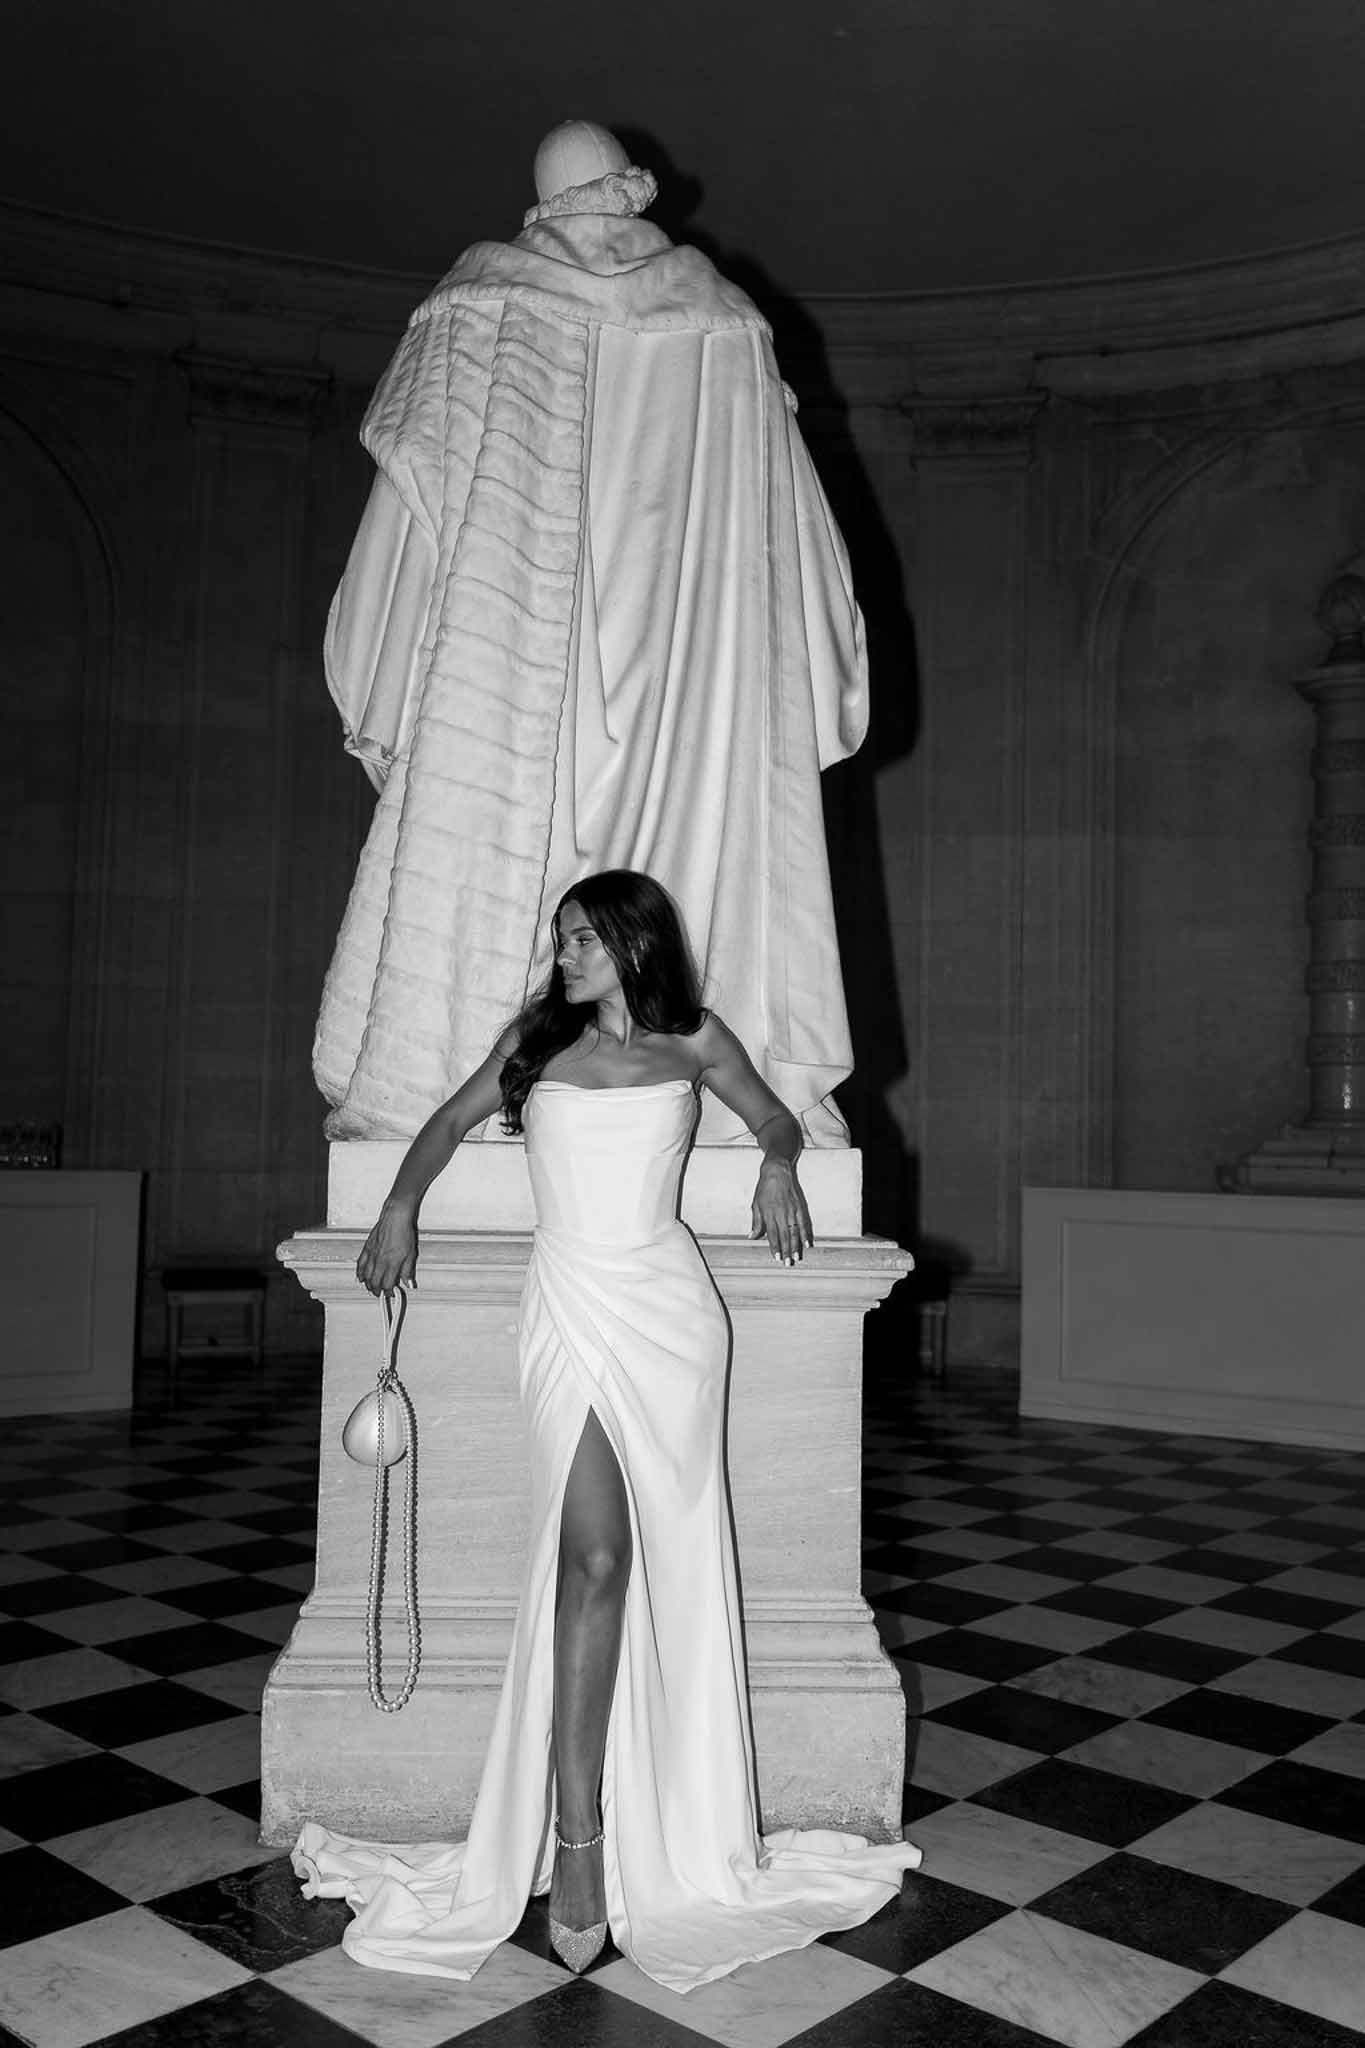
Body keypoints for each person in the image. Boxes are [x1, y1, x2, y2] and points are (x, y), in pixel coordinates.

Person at [294, 871, 920, 1991]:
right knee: (593, 1556)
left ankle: (662, 1823)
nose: (566, 955)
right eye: (563, 940)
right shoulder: (535, 1045)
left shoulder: (692, 1038)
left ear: (632, 944)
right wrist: (395, 1207)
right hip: (568, 1305)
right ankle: (575, 1834)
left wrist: (778, 1159)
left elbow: (773, 1111)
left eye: (583, 938)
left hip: (672, 1315)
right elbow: (444, 1123)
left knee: (671, 1565)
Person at [313, 120, 868, 1151]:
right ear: (629, 190)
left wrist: (382, 665)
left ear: (540, 200)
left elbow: (407, 524)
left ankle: (476, 1066)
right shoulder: (726, 325)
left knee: (510, 846)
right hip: (691, 680)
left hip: (513, 670)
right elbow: (802, 555)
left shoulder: (471, 316)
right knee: (695, 858)